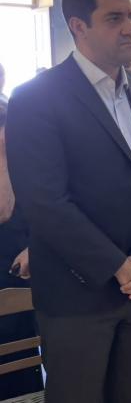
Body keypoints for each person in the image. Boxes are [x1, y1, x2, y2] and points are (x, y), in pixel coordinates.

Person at [6, 0, 131, 402]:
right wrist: (118, 267)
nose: (129, 29)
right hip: (76, 295)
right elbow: (45, 202)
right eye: (114, 18)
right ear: (78, 26)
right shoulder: (36, 97)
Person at [0, 101, 44, 400]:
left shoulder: (25, 158)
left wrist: (34, 246)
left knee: (19, 346)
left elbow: (46, 209)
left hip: (18, 264)